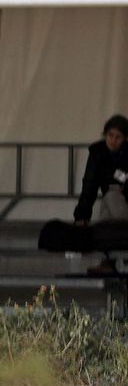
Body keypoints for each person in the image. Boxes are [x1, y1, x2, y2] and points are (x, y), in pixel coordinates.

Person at [74, 114, 128, 273]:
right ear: (104, 135)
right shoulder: (97, 152)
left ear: (125, 139)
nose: (113, 140)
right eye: (110, 135)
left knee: (108, 214)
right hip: (110, 195)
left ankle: (109, 263)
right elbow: (89, 183)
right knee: (105, 219)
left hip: (123, 196)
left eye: (118, 137)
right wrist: (82, 214)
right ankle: (109, 263)